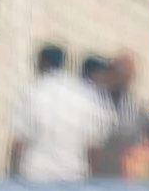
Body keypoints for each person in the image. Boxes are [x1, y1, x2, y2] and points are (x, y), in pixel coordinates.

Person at [10, 44, 110, 181]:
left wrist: (12, 175)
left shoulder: (32, 93)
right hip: (73, 177)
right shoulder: (83, 95)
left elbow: (19, 141)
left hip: (35, 176)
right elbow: (93, 147)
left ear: (42, 62)